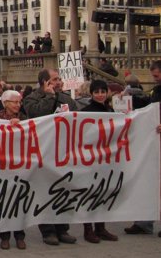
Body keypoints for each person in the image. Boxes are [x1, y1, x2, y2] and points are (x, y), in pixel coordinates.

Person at [23, 68, 77, 245]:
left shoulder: (67, 99)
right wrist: (49, 97)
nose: (60, 82)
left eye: (60, 79)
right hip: (43, 152)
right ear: (45, 83)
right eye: (55, 79)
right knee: (45, 192)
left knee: (63, 190)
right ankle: (48, 231)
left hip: (62, 152)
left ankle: (62, 229)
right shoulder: (32, 98)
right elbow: (36, 115)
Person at [125, 59, 161, 237]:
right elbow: (149, 106)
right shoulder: (157, 89)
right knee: (148, 179)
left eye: (156, 75)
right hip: (154, 139)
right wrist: (128, 101)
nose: (155, 79)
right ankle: (143, 221)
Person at [79, 80, 118, 243]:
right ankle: (88, 230)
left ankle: (100, 227)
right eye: (97, 92)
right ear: (92, 93)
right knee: (90, 194)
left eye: (103, 91)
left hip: (106, 158)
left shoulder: (111, 110)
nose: (100, 94)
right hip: (91, 159)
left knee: (103, 192)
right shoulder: (87, 111)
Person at [0, 90, 27, 250]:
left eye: (19, 102)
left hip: (20, 166)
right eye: (15, 102)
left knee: (19, 202)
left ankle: (20, 235)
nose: (18, 105)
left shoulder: (26, 119)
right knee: (4, 202)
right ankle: (5, 236)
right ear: (5, 103)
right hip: (2, 166)